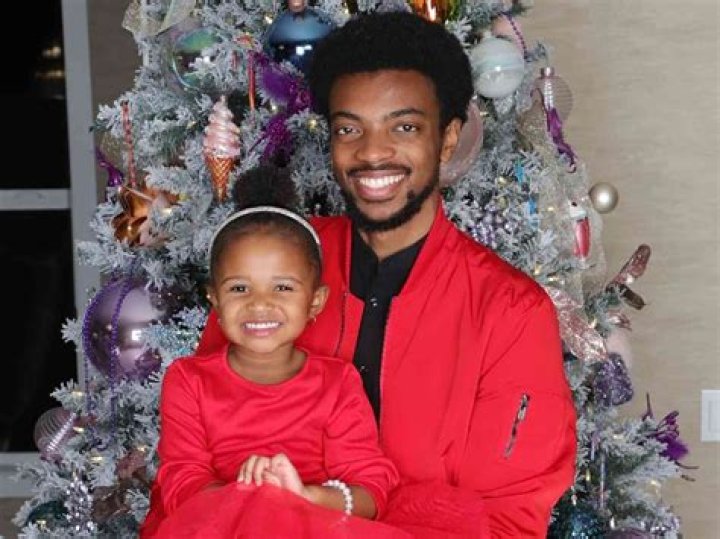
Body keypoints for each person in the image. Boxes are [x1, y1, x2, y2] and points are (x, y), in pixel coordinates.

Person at [198, 11, 576, 538]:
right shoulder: (271, 263)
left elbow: (506, 520)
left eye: (404, 127)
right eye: (349, 129)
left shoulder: (510, 312)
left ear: (447, 139)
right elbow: (200, 464)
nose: (372, 153)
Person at [141, 166, 408, 539]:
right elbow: (182, 481)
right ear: (214, 299)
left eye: (282, 288)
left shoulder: (337, 383)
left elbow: (370, 489)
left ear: (315, 302)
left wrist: (304, 496)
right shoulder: (188, 381)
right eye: (239, 289)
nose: (260, 305)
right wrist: (249, 501)